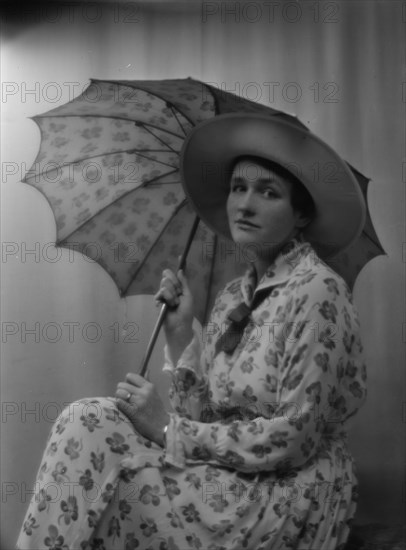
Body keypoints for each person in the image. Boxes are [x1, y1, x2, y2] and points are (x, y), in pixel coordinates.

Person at [16, 114, 367, 550]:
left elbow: (294, 440)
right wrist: (181, 334)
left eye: (268, 192)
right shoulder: (232, 297)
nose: (245, 204)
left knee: (126, 481)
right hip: (229, 468)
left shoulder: (318, 290)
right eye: (239, 187)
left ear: (300, 216)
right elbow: (205, 421)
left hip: (284, 490)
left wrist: (166, 430)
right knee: (86, 418)